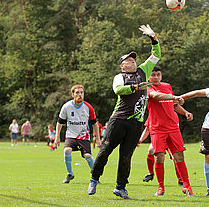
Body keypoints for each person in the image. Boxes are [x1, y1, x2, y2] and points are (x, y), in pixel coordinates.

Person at [87, 24, 160, 200]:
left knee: (126, 156)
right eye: (128, 60)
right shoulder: (119, 77)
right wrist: (137, 86)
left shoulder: (143, 70)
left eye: (133, 59)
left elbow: (156, 55)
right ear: (122, 66)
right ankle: (94, 179)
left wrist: (153, 38)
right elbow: (119, 90)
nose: (132, 61)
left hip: (136, 123)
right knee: (105, 150)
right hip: (119, 119)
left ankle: (120, 187)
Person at [146, 65, 194, 197]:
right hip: (157, 128)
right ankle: (161, 187)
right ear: (149, 76)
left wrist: (185, 113)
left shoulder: (167, 86)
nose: (156, 77)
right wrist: (174, 97)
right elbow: (156, 96)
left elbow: (174, 105)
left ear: (161, 75)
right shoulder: (147, 88)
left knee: (179, 156)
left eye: (158, 74)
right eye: (153, 75)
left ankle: (186, 186)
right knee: (159, 157)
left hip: (173, 127)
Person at [54, 84, 101, 184]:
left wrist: (97, 138)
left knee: (88, 155)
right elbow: (60, 122)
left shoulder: (88, 107)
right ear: (73, 94)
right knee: (67, 150)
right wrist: (57, 136)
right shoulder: (66, 107)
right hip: (71, 135)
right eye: (77, 93)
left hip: (84, 136)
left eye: (81, 93)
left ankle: (95, 176)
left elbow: (95, 123)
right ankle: (70, 174)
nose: (80, 95)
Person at [138, 117, 183, 186]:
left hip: (169, 139)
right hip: (159, 138)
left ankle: (180, 179)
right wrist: (140, 140)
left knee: (175, 157)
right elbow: (147, 129)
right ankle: (150, 173)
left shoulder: (172, 115)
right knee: (151, 150)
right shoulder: (153, 114)